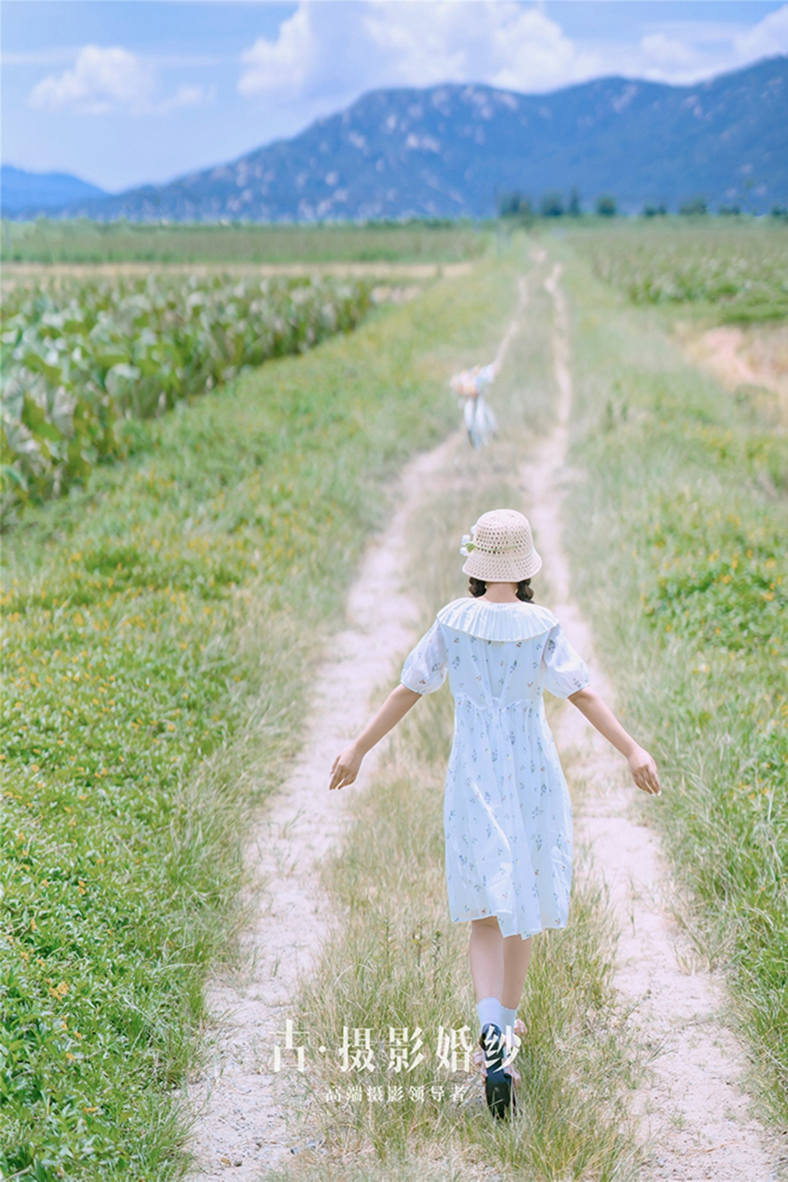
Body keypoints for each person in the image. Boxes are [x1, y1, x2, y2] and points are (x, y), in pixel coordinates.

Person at [329, 508, 661, 1121]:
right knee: (521, 911)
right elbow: (582, 693)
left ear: (477, 566)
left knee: (483, 915)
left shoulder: (452, 622)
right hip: (531, 777)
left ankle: (489, 1037)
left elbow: (410, 687)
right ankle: (504, 1041)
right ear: (526, 566)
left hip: (473, 778)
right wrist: (633, 749)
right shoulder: (541, 626)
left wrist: (358, 747)